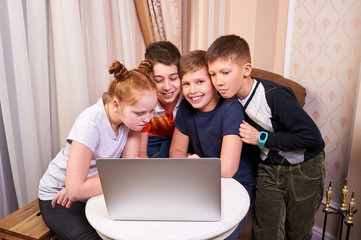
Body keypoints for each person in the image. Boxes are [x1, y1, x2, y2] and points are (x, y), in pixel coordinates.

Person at [206, 34, 325, 240]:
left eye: (225, 72)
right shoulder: (229, 102)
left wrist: (261, 139)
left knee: (298, 232)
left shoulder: (274, 95)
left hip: (304, 169)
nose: (218, 81)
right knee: (265, 231)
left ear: (246, 70)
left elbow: (312, 138)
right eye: (213, 74)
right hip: (269, 169)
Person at [38, 60, 158, 240]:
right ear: (116, 105)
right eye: (140, 113)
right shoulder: (90, 124)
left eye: (151, 111)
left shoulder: (133, 122)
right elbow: (75, 191)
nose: (147, 119)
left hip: (93, 190)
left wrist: (82, 186)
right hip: (58, 196)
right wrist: (76, 188)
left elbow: (127, 168)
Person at [169, 50, 255, 240]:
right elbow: (176, 150)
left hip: (235, 184)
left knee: (216, 234)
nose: (192, 91)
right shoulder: (186, 107)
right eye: (186, 84)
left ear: (214, 82)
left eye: (200, 82)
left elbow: (227, 169)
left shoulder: (230, 109)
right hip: (200, 178)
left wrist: (195, 165)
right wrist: (186, 161)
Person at [139, 41, 182, 158]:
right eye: (158, 80)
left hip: (180, 146)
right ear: (148, 78)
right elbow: (141, 151)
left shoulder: (189, 98)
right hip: (150, 144)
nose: (167, 87)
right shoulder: (142, 102)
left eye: (173, 78)